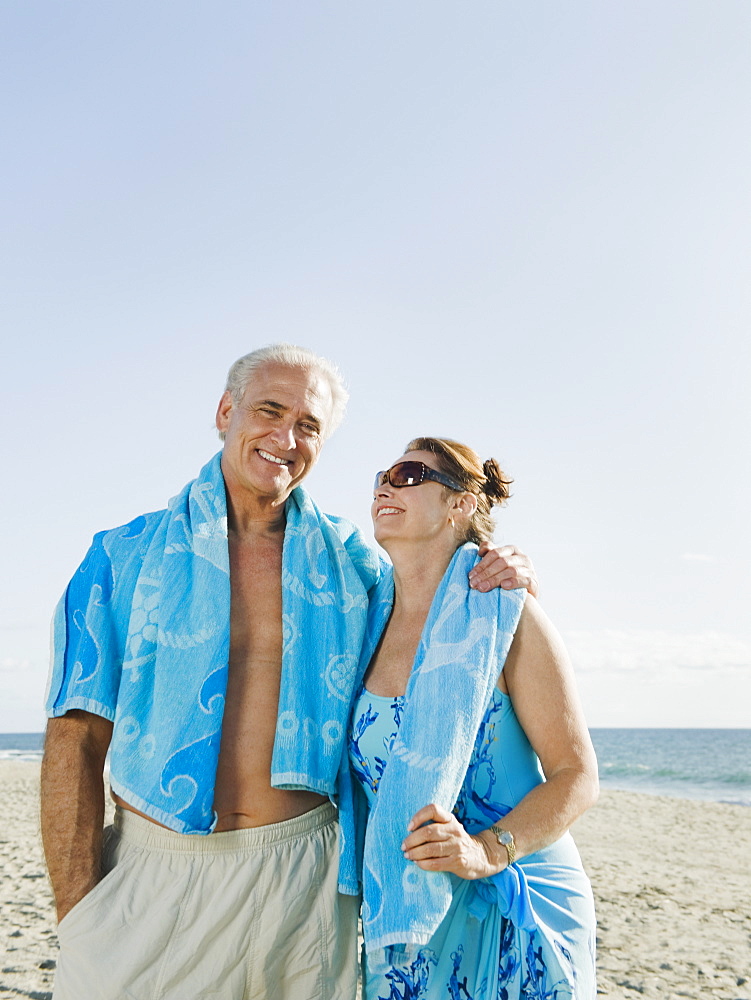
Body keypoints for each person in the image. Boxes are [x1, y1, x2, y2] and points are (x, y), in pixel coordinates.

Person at [40, 345, 538, 1000]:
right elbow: (75, 739)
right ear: (226, 412)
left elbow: (439, 610)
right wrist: (77, 911)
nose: (285, 437)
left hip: (304, 879)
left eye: (308, 426)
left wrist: (501, 569)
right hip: (156, 875)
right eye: (269, 411)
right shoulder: (121, 556)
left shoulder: (353, 563)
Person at [345, 437, 598, 1000]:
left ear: (459, 504)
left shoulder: (506, 613)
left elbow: (578, 776)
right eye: (384, 474)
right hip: (409, 914)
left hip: (518, 903)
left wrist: (485, 850)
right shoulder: (363, 620)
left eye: (410, 474)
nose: (387, 484)